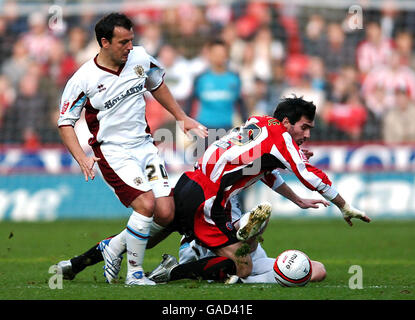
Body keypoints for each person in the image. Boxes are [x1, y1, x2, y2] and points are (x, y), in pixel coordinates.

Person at [58, 96, 370, 283]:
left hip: (189, 185)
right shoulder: (281, 139)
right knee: (243, 266)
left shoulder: (260, 122)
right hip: (208, 201)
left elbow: (261, 171)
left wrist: (296, 199)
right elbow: (309, 174)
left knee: (143, 237)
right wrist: (342, 204)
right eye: (304, 127)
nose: (307, 134)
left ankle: (74, 264)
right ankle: (174, 272)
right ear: (287, 122)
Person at [57, 13, 207, 286]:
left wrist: (181, 117)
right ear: (104, 42)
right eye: (123, 42)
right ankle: (135, 275)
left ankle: (112, 247)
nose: (129, 47)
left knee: (165, 212)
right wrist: (81, 157)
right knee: (145, 205)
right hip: (113, 152)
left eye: (131, 40)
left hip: (145, 147)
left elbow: (156, 84)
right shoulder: (83, 79)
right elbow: (65, 122)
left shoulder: (139, 57)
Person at [185, 39, 248, 147]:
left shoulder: (234, 78)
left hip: (227, 129)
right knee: (203, 162)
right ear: (209, 55)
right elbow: (189, 103)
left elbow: (240, 104)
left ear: (227, 55)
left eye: (222, 54)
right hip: (204, 129)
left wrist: (246, 126)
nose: (219, 57)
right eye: (215, 54)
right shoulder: (200, 78)